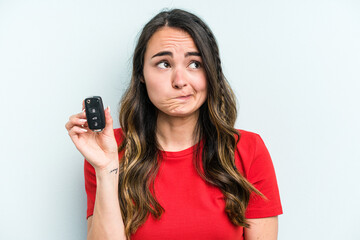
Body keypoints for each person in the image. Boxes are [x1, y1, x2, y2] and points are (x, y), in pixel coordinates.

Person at [65, 9, 282, 240]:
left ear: (211, 73)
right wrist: (106, 168)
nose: (180, 81)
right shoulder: (108, 150)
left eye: (195, 64)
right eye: (164, 64)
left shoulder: (248, 150)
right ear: (141, 74)